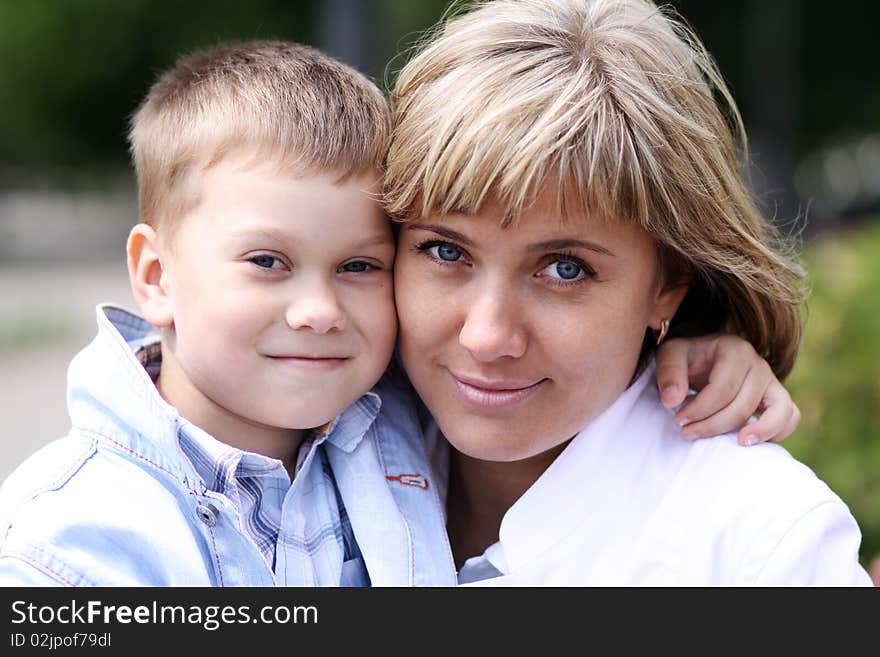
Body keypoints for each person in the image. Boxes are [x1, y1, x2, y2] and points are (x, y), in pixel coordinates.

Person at [0, 37, 799, 587]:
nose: (316, 311)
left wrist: (699, 346)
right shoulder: (77, 535)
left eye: (357, 266)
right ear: (154, 274)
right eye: (446, 251)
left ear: (668, 287)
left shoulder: (371, 410)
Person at [383, 0, 873, 584]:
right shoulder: (308, 447)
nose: (488, 336)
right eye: (446, 252)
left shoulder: (759, 544)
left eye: (564, 269)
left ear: (668, 284)